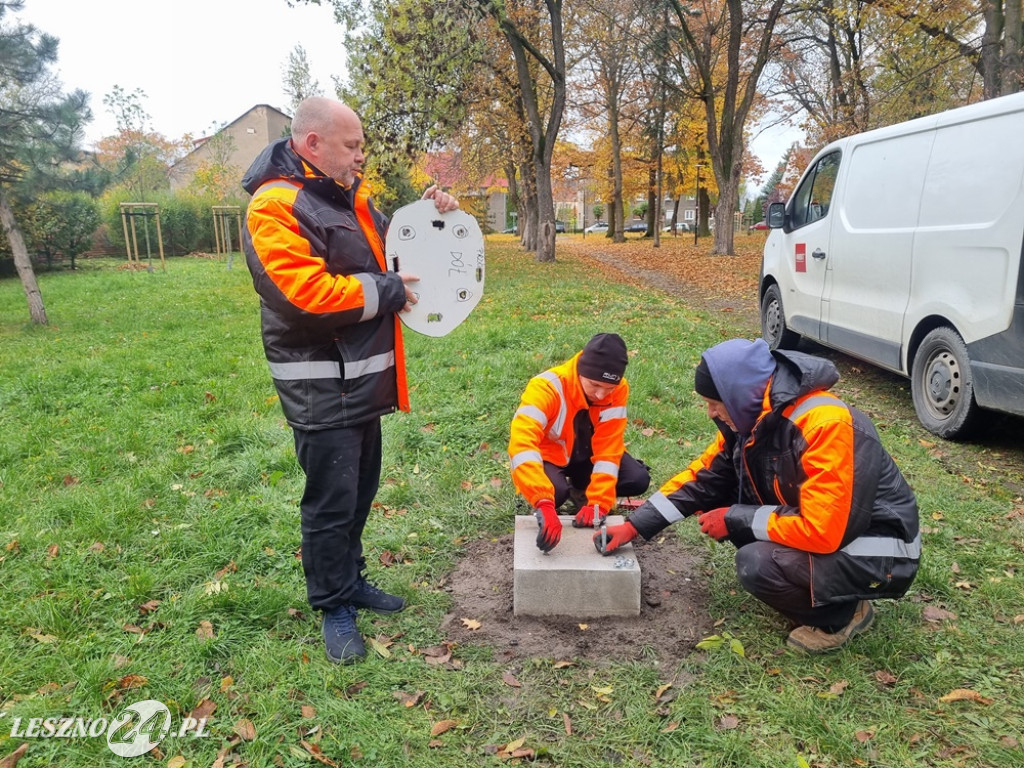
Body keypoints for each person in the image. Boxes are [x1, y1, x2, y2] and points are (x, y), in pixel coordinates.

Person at [241, 97, 460, 664]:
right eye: (352, 145)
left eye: (361, 145)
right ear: (312, 144)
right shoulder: (275, 206)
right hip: (320, 385)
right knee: (330, 504)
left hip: (362, 381)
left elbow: (398, 248)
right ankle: (333, 604)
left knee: (358, 494)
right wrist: (386, 291)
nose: (362, 156)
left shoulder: (352, 200)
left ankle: (352, 579)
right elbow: (301, 296)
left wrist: (435, 212)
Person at [596, 338, 921, 653]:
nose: (710, 413)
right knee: (733, 511)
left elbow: (823, 531)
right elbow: (701, 480)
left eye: (714, 403)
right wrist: (634, 527)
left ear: (738, 393)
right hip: (835, 531)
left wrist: (735, 518)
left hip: (879, 547)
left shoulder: (826, 426)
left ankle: (842, 616)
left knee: (758, 563)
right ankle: (819, 590)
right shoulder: (753, 421)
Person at [508, 333, 651, 552]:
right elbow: (522, 445)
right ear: (580, 372)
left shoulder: (618, 389)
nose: (602, 395)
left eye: (609, 388)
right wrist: (543, 502)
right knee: (554, 493)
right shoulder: (546, 387)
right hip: (550, 458)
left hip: (585, 458)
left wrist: (599, 503)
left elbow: (609, 451)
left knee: (636, 479)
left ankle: (581, 491)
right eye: (594, 385)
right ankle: (556, 492)